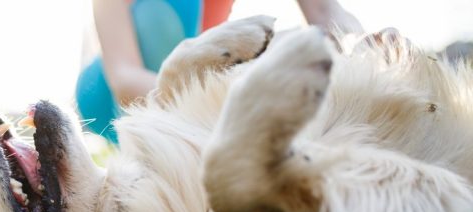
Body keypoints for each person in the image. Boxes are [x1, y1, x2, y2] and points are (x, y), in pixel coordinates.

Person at [76, 0, 363, 142]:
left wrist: (366, 50)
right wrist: (233, 94)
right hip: (110, 93)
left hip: (193, 73)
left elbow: (327, 14)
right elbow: (123, 77)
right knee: (156, 21)